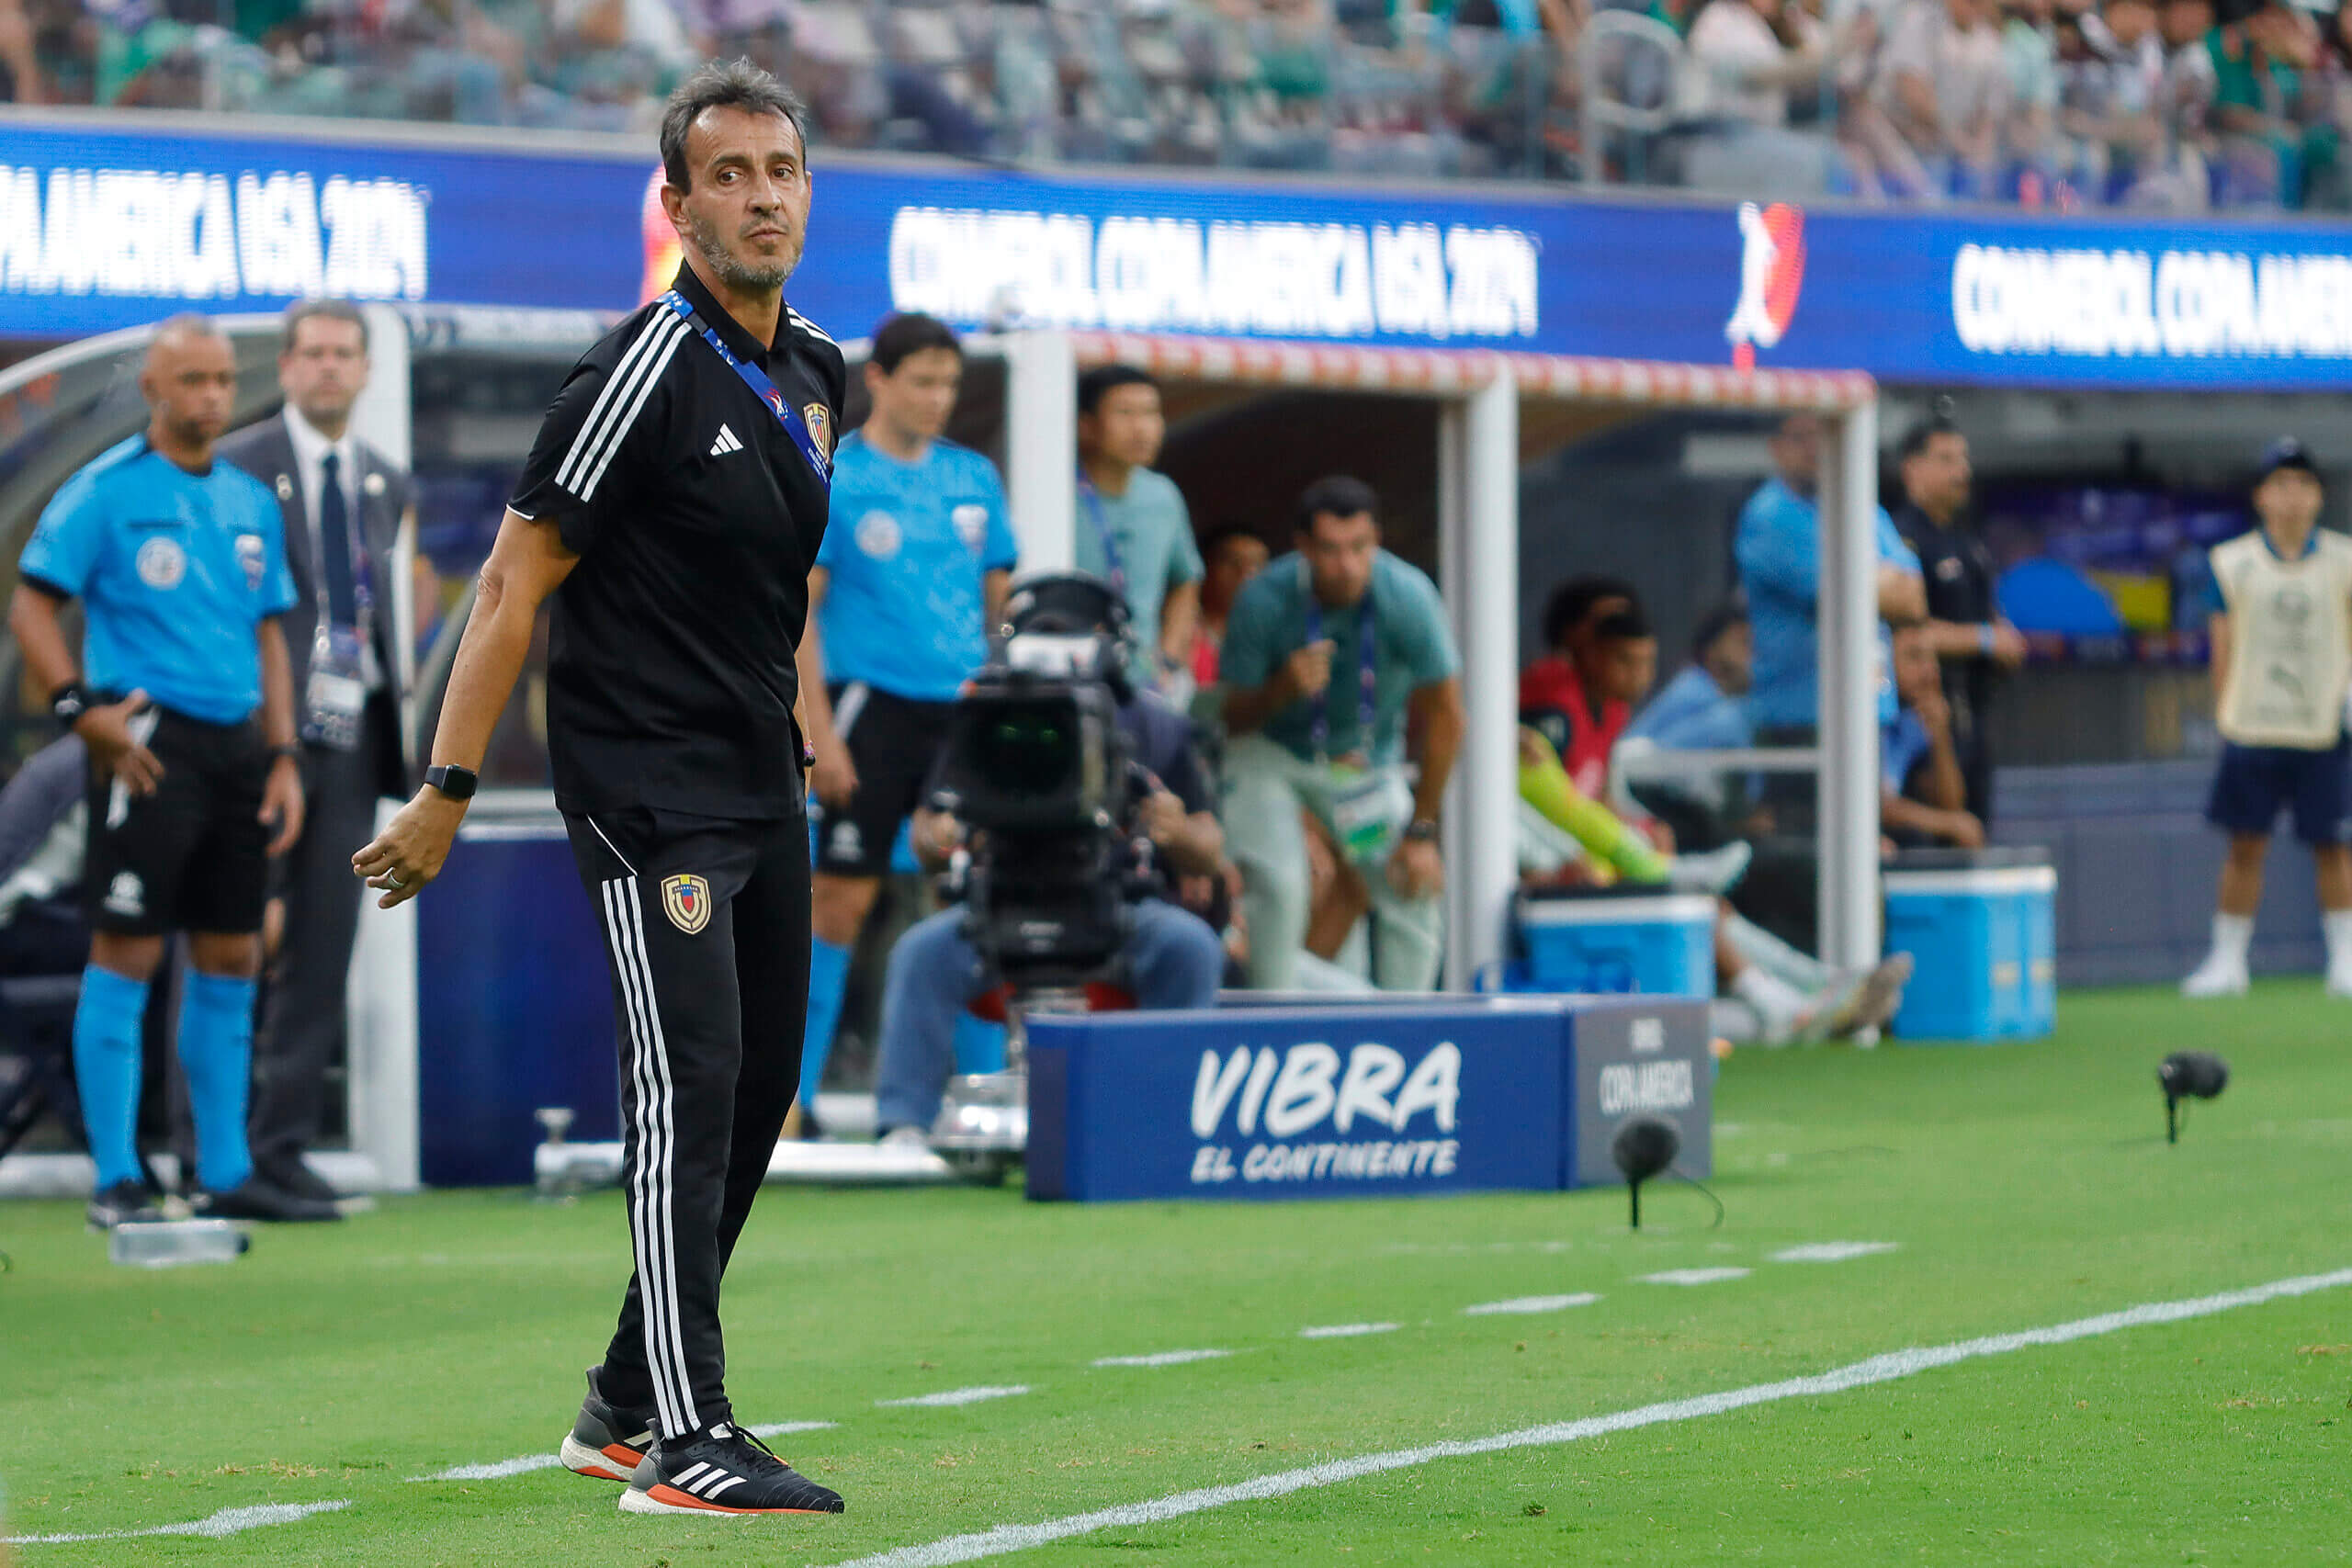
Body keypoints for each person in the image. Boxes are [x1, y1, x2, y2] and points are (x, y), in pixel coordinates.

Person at [350, 61, 847, 1516]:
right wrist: (445, 785)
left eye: (781, 169)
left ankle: (624, 1394)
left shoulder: (821, 373)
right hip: (646, 785)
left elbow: (772, 591)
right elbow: (512, 580)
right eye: (730, 174)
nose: (761, 194)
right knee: (686, 1088)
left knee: (762, 1090)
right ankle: (685, 1440)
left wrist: (805, 732)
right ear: (679, 205)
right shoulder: (633, 370)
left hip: (765, 778)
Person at [6, 315, 321, 1230]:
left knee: (231, 949)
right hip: (146, 746)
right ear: (153, 389)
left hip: (238, 750)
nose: (212, 398)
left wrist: (285, 754)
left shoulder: (247, 500)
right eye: (192, 381)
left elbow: (270, 635)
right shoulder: (103, 492)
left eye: (222, 380)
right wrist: (78, 709)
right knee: (129, 949)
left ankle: (220, 1170)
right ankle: (115, 1175)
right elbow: (32, 606)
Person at [871, 574, 1227, 1140]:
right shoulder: (983, 712)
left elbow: (1209, 850)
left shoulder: (1153, 723)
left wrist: (1175, 828)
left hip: (1113, 907)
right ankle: (902, 1127)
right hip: (999, 904)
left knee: (1190, 949)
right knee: (920, 954)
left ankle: (1166, 1126)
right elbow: (927, 833)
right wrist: (939, 835)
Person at [792, 311, 1016, 1134]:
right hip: (867, 709)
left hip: (958, 716)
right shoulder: (838, 476)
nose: (938, 398)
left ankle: (979, 1102)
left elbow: (1000, 611)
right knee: (838, 903)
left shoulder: (973, 479)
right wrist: (820, 731)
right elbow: (799, 615)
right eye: (922, 380)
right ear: (879, 379)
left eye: (950, 382)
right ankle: (794, 1100)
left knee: (972, 900)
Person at [219, 299, 414, 1206]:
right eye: (314, 354)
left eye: (345, 354)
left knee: (324, 948)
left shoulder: (384, 479)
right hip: (258, 735)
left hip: (352, 734)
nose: (330, 368)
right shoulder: (237, 466)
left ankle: (281, 1147)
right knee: (225, 938)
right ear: (287, 367)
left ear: (367, 369)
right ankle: (207, 1148)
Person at [1219, 475, 1463, 992]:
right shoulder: (1263, 597)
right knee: (1281, 889)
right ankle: (1275, 1024)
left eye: (1360, 547)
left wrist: (1421, 832)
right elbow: (1230, 718)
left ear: (1376, 540)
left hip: (1357, 761)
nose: (1348, 565)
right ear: (1303, 547)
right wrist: (1280, 690)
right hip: (1271, 754)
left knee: (1410, 886)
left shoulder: (1407, 595)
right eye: (1330, 551)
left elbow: (1447, 716)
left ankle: (1408, 1029)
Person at [2181, 440, 2352, 998]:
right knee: (2244, 845)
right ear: (2260, 496)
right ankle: (2228, 962)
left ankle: (2345, 961)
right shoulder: (2232, 563)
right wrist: (2228, 711)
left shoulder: (2344, 560)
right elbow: (2221, 645)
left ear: (2319, 495)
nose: (2292, 495)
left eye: (2303, 483)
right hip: (2252, 727)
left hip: (2322, 726)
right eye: (2280, 484)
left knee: (2333, 846)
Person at [1894, 415, 2026, 826]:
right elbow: (1903, 634)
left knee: (1978, 830)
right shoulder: (1900, 538)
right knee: (1939, 838)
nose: (1961, 471)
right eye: (1947, 459)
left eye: (1963, 459)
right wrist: (1984, 639)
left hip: (1975, 715)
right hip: (1921, 722)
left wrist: (2004, 643)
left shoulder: (1967, 542)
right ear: (1912, 468)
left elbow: (1986, 619)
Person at [1075, 364, 1204, 694]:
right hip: (1072, 677)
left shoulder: (1163, 495)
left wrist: (1170, 660)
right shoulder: (1055, 492)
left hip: (1143, 683)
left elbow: (1187, 581)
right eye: (1125, 413)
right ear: (1086, 425)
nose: (1142, 428)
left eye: (1151, 413)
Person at [1883, 622, 1987, 849]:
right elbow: (1877, 805)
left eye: (1933, 659)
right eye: (1914, 657)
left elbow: (1951, 804)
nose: (1930, 671)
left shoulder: (1913, 721)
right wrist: (1948, 824)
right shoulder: (1868, 717)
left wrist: (1940, 737)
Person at [1188, 524, 1271, 691]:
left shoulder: (1270, 638)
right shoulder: (1184, 630)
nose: (1245, 574)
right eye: (1233, 562)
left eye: (1256, 565)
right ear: (1205, 566)